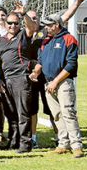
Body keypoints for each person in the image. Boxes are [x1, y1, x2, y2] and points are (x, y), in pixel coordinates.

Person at [30, 14, 83, 158]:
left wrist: (55, 81)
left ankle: (76, 145)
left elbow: (71, 64)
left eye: (48, 25)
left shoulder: (69, 39)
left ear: (57, 25)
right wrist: (36, 72)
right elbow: (40, 60)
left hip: (63, 82)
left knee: (68, 113)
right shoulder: (45, 41)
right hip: (48, 83)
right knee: (57, 115)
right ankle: (63, 144)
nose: (46, 27)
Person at [0, 1, 36, 153]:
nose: (12, 26)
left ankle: (25, 144)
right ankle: (13, 141)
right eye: (10, 23)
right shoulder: (1, 41)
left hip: (20, 79)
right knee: (10, 114)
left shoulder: (23, 35)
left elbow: (31, 27)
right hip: (6, 81)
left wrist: (23, 14)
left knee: (22, 113)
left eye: (15, 23)